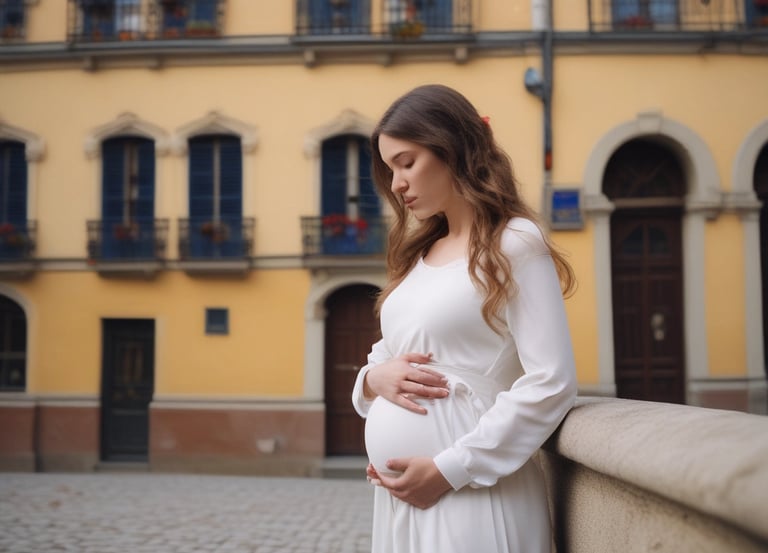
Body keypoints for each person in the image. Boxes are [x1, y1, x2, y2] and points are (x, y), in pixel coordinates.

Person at [350, 84, 578, 553]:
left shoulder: (514, 243)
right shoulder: (419, 255)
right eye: (390, 169)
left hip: (473, 489)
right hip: (402, 500)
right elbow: (389, 354)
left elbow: (552, 381)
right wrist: (373, 378)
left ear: (450, 148)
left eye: (406, 162)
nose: (395, 185)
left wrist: (448, 470)